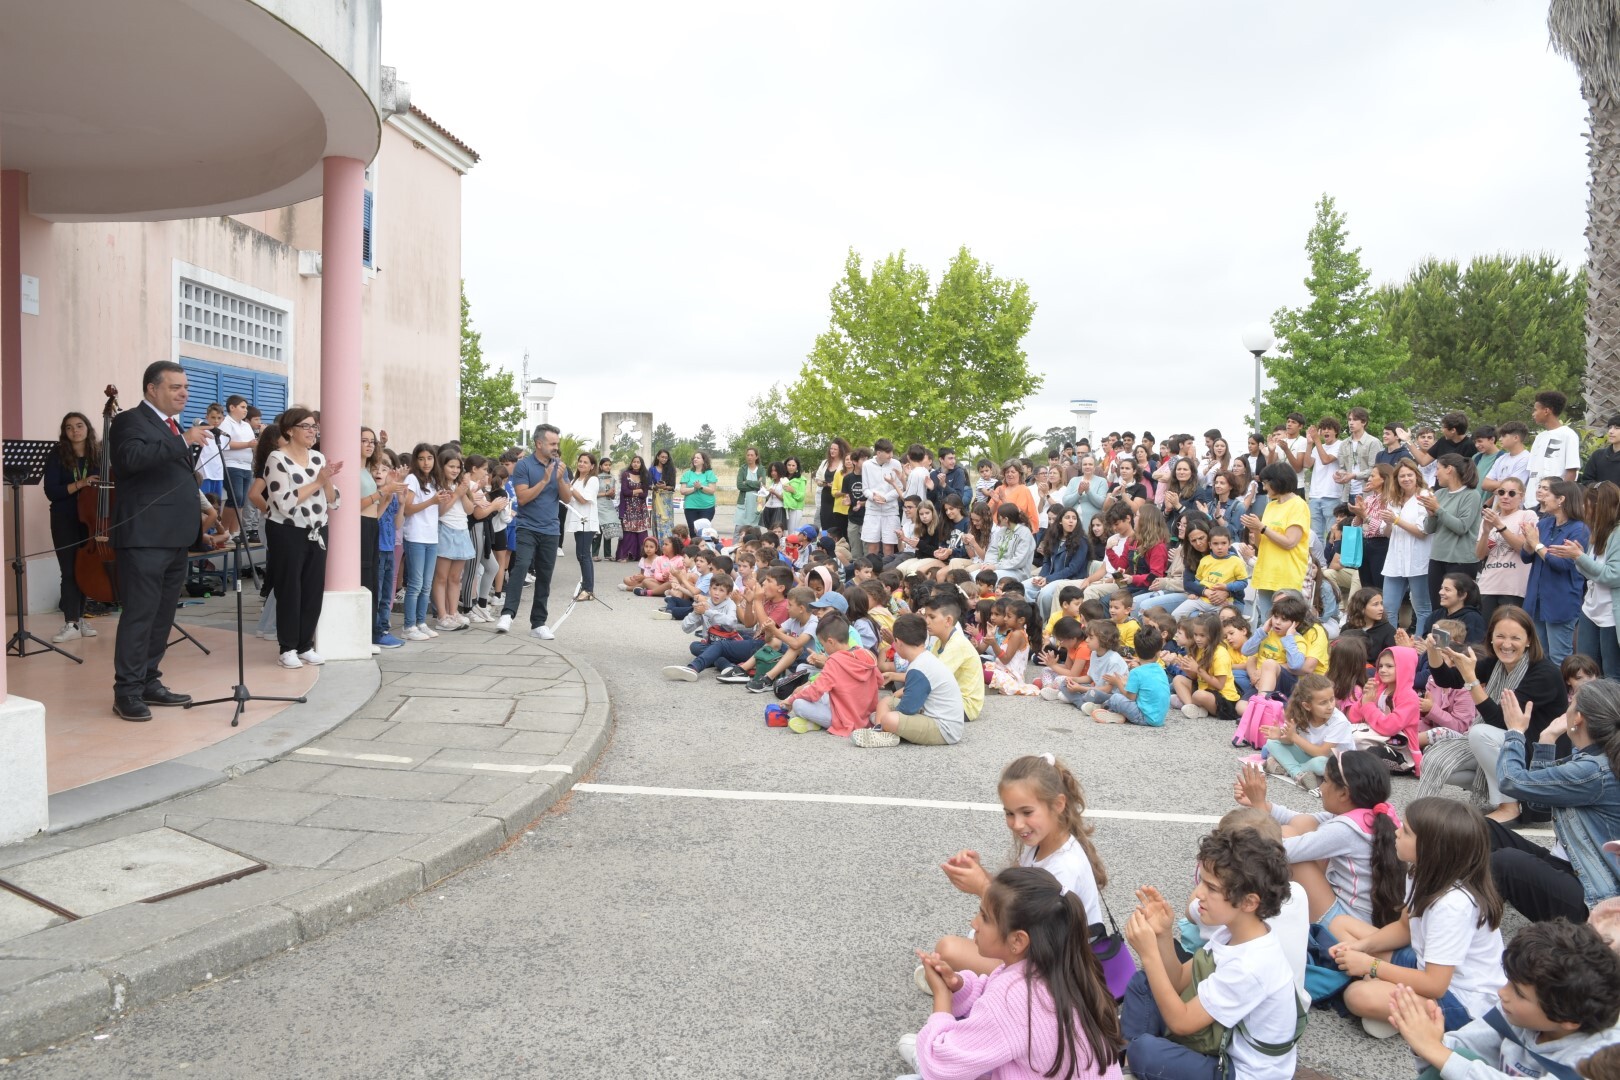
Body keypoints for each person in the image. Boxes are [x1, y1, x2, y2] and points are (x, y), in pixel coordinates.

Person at [907, 866, 1125, 1080]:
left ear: (1018, 940)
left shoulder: (1012, 998)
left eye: (984, 917)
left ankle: (921, 1052)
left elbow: (940, 1066)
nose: (974, 923)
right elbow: (994, 995)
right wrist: (958, 985)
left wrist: (942, 996)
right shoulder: (1059, 967)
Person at [1121, 829, 1304, 1080]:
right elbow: (1178, 981)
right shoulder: (1232, 933)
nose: (1199, 894)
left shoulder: (1252, 965)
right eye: (1202, 882)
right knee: (1144, 983)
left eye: (1211, 887)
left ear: (1249, 902)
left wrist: (1149, 955)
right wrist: (1163, 934)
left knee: (1146, 1051)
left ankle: (1135, 1060)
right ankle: (1134, 1060)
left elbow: (1181, 1022)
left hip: (1239, 1071)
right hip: (1217, 1041)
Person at [1329, 798, 1506, 1037]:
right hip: (1427, 965)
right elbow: (1405, 928)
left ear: (1432, 849)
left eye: (1407, 831)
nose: (1397, 831)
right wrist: (1362, 947)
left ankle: (1400, 1007)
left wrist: (1371, 965)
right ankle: (1398, 1005)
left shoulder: (1452, 906)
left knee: (1358, 996)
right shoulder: (1418, 871)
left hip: (1462, 1000)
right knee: (1341, 925)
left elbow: (1435, 985)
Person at [107, 361, 212, 721]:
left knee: (163, 616)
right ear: (152, 389)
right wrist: (183, 441)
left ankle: (149, 680)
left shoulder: (173, 425)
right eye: (175, 387)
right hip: (144, 536)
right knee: (140, 614)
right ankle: (127, 691)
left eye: (186, 387)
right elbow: (130, 459)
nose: (184, 393)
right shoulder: (129, 421)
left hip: (175, 537)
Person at [1389, 920, 1620, 1080]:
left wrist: (1435, 1050)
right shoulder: (1516, 1014)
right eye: (1509, 982)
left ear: (1568, 1019)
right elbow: (1453, 1054)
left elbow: (1447, 1059)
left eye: (1519, 993)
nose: (1502, 993)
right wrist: (1426, 1041)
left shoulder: (1599, 1059)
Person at [1486, 678, 1620, 924]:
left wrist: (1515, 732)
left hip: (1593, 898)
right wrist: (1547, 739)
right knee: (1478, 828)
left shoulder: (1594, 771)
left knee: (1506, 863)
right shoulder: (1594, 758)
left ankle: (1461, 931)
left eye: (1571, 703)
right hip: (1570, 867)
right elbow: (1539, 806)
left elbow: (1510, 781)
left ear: (1578, 718)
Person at [1427, 606, 1571, 826]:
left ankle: (1509, 805)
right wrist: (1434, 651)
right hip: (1512, 747)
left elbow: (1501, 721)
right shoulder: (1495, 663)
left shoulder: (1544, 673)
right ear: (1491, 638)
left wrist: (1472, 680)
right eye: (1500, 636)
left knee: (1480, 733)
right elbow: (1447, 679)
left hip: (1539, 756)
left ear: (1529, 641)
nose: (1506, 644)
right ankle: (1503, 793)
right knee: (1439, 761)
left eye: (1515, 638)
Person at [1235, 750, 1405, 928]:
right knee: (1302, 825)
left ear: (1343, 794)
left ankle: (1253, 902)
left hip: (1346, 924)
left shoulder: (1344, 830)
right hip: (1365, 918)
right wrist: (1262, 804)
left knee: (1287, 843)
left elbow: (1281, 851)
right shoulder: (1373, 814)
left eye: (1325, 780)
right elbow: (1301, 819)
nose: (1321, 787)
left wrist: (1259, 807)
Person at [262, 407, 341, 669]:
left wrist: (326, 480)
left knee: (312, 589)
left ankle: (305, 645)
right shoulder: (277, 458)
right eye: (305, 426)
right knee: (289, 589)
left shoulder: (318, 458)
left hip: (317, 530)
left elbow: (334, 500)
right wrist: (318, 481)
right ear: (289, 430)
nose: (312, 431)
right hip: (286, 531)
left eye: (314, 426)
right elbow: (284, 502)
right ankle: (287, 648)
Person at [497, 424, 574, 640]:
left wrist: (559, 479)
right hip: (527, 527)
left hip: (551, 529)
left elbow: (567, 499)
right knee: (521, 567)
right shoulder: (524, 466)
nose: (556, 447)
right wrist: (544, 480)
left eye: (557, 443)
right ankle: (507, 614)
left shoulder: (560, 466)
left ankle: (538, 624)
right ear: (539, 443)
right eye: (552, 443)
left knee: (545, 575)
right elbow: (522, 498)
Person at [854, 613, 964, 748]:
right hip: (932, 715)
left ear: (898, 642)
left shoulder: (918, 667)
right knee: (886, 702)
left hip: (944, 729)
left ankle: (883, 728)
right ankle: (881, 732)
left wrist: (888, 715)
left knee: (889, 718)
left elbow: (908, 709)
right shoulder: (924, 658)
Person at [43, 411, 100, 644]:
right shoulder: (57, 455)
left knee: (85, 569)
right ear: (64, 432)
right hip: (64, 518)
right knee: (68, 570)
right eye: (69, 427)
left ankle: (80, 619)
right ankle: (70, 622)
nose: (75, 430)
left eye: (79, 425)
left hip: (91, 519)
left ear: (87, 428)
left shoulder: (98, 454)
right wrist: (81, 483)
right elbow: (52, 492)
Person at [1525, 479, 1591, 664]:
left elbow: (1562, 564)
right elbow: (1526, 557)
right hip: (1537, 600)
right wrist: (1528, 541)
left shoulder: (1580, 529)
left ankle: (1563, 685)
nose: (1543, 497)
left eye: (1548, 494)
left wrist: (1537, 544)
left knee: (1559, 658)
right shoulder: (1545, 523)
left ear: (1561, 499)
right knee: (1538, 657)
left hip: (1560, 601)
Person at [1261, 672, 1356, 791]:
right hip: (1308, 756)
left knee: (1321, 764)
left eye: (1332, 699)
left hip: (1334, 763)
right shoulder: (1299, 714)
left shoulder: (1340, 721)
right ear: (1307, 706)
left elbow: (1322, 753)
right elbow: (1289, 742)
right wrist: (1280, 735)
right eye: (1323, 703)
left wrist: (1294, 737)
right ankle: (1299, 774)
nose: (1330, 706)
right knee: (1271, 743)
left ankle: (1288, 769)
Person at [1562, 481, 1620, 677]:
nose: (1583, 508)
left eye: (1586, 504)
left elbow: (1613, 575)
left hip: (1611, 615)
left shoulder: (1618, 533)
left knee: (1611, 674)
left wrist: (1579, 556)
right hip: (1591, 609)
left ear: (1598, 506)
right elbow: (1589, 571)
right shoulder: (1597, 532)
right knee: (1585, 669)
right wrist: (1579, 556)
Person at [1243, 463, 1310, 624]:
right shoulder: (1270, 506)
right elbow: (1260, 544)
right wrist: (1255, 529)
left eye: (1266, 483)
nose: (1264, 488)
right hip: (1266, 574)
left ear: (1277, 481)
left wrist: (1262, 528)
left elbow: (1290, 542)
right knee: (1268, 624)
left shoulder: (1298, 505)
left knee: (1287, 624)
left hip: (1286, 576)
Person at [1381, 459, 1435, 634]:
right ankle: (1390, 644)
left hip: (1418, 559)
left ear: (1417, 476)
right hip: (1395, 560)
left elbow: (1422, 531)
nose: (1406, 479)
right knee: (1388, 608)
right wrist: (1388, 523)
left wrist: (1396, 520)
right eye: (1402, 476)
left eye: (1409, 475)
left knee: (1422, 608)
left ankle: (1420, 646)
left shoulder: (1425, 496)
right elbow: (1387, 533)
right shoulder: (1393, 500)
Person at [1423, 454, 1483, 608]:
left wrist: (1438, 509)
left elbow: (1461, 527)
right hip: (1437, 558)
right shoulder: (1439, 494)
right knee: (1437, 606)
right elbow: (1428, 529)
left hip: (1461, 561)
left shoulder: (1471, 495)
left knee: (1459, 608)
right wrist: (1431, 514)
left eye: (1438, 469)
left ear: (1449, 469)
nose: (1435, 474)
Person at [1478, 477, 1539, 620]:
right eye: (1501, 492)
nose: (1505, 497)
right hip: (1488, 585)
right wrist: (1486, 532)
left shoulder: (1527, 515)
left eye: (1511, 493)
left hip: (1514, 588)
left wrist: (1499, 526)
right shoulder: (1490, 518)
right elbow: (1480, 555)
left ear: (1521, 496)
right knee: (1485, 631)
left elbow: (1524, 549)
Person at [564, 450, 600, 602]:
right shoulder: (575, 480)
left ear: (592, 466)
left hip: (587, 521)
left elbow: (584, 500)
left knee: (584, 555)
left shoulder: (593, 480)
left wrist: (570, 488)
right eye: (580, 461)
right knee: (581, 555)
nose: (581, 464)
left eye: (585, 462)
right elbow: (568, 499)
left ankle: (588, 589)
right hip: (577, 521)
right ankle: (585, 587)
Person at [1531, 390, 1583, 486]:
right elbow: (1532, 470)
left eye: (1535, 410)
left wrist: (1561, 493)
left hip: (1555, 493)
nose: (1533, 414)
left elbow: (1571, 471)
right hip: (1533, 493)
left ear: (1546, 411)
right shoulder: (1539, 437)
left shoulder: (1568, 435)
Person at [616, 454, 651, 560]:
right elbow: (625, 492)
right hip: (628, 508)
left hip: (641, 509)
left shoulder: (644, 475)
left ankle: (641, 555)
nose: (635, 464)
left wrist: (633, 492)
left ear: (641, 464)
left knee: (641, 532)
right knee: (628, 531)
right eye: (634, 462)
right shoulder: (626, 474)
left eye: (638, 462)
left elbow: (644, 494)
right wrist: (638, 490)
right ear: (631, 463)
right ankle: (625, 555)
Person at [734, 446, 763, 540]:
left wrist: (746, 482)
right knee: (739, 529)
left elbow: (761, 486)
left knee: (755, 530)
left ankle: (756, 546)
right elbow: (739, 485)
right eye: (748, 455)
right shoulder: (742, 469)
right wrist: (756, 483)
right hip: (744, 503)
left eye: (752, 455)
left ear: (756, 457)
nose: (749, 457)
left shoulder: (761, 469)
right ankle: (735, 547)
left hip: (756, 503)